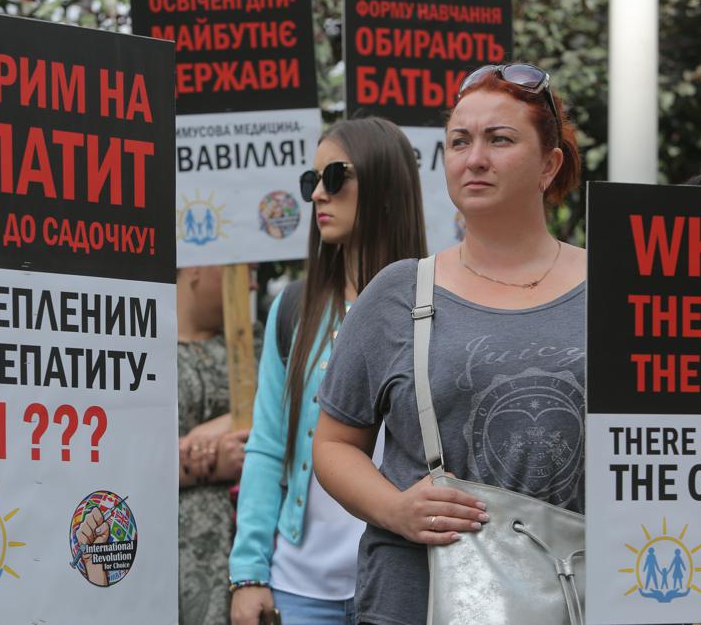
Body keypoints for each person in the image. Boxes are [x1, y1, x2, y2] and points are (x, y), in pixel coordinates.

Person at [313, 64, 585, 624]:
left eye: (500, 139)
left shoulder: (620, 292)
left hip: (577, 594)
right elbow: (334, 445)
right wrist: (396, 509)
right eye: (459, 142)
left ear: (549, 164)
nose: (474, 158)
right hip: (415, 598)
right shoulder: (396, 292)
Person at [229, 117, 428, 625]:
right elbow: (268, 446)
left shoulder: (435, 307)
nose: (318, 193)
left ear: (385, 187)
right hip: (299, 590)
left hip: (404, 582)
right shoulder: (295, 306)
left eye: (335, 176)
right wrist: (249, 573)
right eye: (311, 180)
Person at [177, 266, 259, 625]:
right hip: (170, 558)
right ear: (196, 268)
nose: (253, 283)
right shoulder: (138, 344)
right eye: (244, 270)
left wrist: (213, 432)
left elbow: (294, 405)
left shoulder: (256, 344)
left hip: (247, 553)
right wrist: (205, 463)